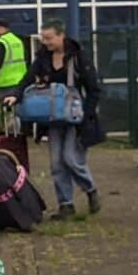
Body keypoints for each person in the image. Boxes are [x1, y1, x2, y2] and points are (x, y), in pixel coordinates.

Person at [26, 24, 104, 220]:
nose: (46, 42)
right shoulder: (43, 58)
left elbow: (94, 89)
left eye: (49, 38)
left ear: (61, 35)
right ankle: (65, 204)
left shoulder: (78, 58)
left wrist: (86, 116)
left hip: (75, 119)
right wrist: (16, 95)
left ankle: (90, 189)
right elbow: (27, 78)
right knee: (56, 163)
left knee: (70, 158)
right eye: (43, 38)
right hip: (52, 118)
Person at [0, 18, 29, 132]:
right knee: (14, 114)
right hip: (18, 82)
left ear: (1, 28)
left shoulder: (0, 43)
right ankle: (15, 136)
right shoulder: (17, 40)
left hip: (4, 84)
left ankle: (3, 136)